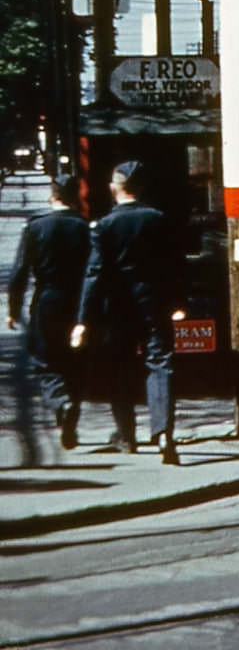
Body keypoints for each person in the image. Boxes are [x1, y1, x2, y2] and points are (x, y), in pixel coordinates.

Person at [71, 162, 185, 464]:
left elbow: (94, 274)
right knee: (160, 363)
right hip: (155, 302)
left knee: (119, 367)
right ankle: (164, 433)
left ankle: (126, 435)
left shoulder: (104, 226)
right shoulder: (158, 219)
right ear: (142, 187)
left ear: (114, 188)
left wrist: (84, 319)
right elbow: (174, 265)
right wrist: (177, 302)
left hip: (118, 307)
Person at [8, 175, 90, 450]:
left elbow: (20, 272)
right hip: (77, 301)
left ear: (52, 196)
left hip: (46, 300)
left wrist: (13, 308)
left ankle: (61, 402)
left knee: (45, 361)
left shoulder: (35, 227)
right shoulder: (85, 228)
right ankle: (70, 413)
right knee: (74, 362)